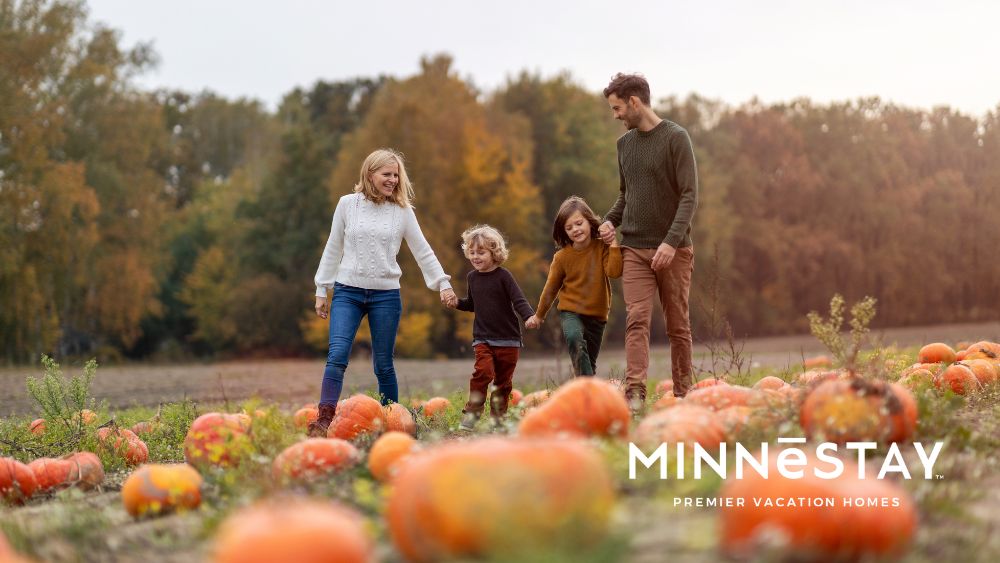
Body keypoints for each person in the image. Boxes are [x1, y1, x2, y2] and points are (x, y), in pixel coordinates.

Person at [310, 148, 457, 437]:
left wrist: (443, 282)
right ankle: (324, 419)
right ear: (370, 173)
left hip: (386, 296)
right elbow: (333, 247)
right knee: (337, 354)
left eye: (396, 175)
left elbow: (422, 250)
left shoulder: (402, 211)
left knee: (383, 364)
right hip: (347, 292)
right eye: (386, 174)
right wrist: (321, 288)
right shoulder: (347, 204)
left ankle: (393, 422)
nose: (392, 180)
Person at [597, 73, 699, 410]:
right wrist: (610, 221)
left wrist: (671, 242)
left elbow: (689, 196)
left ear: (635, 102)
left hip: (675, 250)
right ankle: (635, 394)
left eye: (617, 108)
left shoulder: (675, 138)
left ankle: (684, 392)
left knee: (677, 324)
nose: (616, 115)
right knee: (636, 319)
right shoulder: (623, 145)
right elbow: (626, 195)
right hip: (634, 249)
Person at [524, 196, 622, 377]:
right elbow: (550, 289)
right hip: (571, 312)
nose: (575, 230)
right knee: (574, 339)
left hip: (598, 315)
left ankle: (586, 394)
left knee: (589, 363)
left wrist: (613, 244)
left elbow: (614, 272)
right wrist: (538, 315)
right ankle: (588, 386)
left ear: (589, 221)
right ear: (564, 232)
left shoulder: (602, 247)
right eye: (569, 228)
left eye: (578, 224)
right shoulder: (562, 258)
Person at [450, 225, 534, 430]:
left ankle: (498, 420)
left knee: (503, 384)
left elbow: (518, 300)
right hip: (483, 337)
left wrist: (529, 316)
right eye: (472, 252)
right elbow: (472, 304)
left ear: (494, 253)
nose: (475, 257)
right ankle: (472, 414)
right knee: (483, 372)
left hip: (508, 339)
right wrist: (457, 303)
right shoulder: (472, 277)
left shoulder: (504, 276)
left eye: (481, 252)